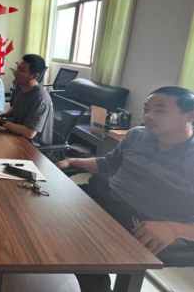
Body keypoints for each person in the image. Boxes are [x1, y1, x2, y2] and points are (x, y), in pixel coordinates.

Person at [57, 87, 194, 292]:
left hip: (146, 223)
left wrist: (174, 229)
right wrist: (72, 161)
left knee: (88, 250)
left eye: (159, 110)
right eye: (146, 109)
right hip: (106, 198)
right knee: (51, 210)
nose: (149, 116)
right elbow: (108, 163)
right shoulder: (136, 135)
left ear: (190, 115)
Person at [0, 54, 53, 145]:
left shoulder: (40, 99)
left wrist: (0, 121)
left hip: (33, 146)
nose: (16, 72)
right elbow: (15, 110)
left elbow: (29, 133)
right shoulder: (23, 89)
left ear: (35, 76)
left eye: (21, 70)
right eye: (17, 68)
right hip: (17, 137)